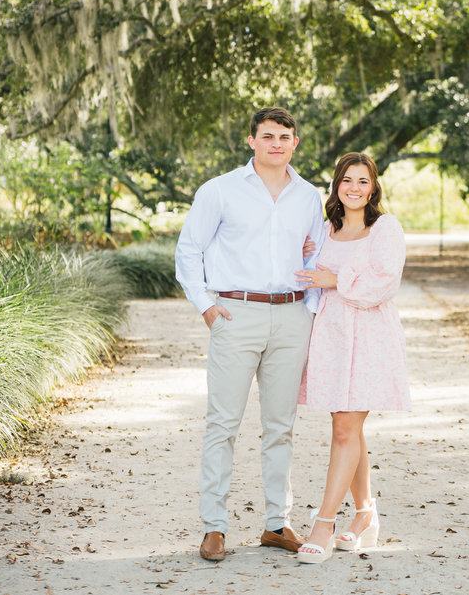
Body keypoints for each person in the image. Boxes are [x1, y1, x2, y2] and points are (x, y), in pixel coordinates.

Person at [175, 106, 325, 562]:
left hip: (291, 316)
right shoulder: (219, 191)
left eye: (284, 136)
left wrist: (312, 312)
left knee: (281, 427)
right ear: (252, 141)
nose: (276, 143)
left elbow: (317, 255)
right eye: (267, 136)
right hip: (236, 315)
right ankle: (214, 527)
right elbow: (189, 249)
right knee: (223, 424)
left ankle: (277, 524)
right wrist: (206, 307)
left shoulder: (308, 196)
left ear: (295, 142)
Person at [294, 152, 410, 564]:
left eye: (363, 181)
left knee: (345, 429)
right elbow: (307, 273)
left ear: (373, 187)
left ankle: (323, 523)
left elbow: (383, 284)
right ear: (337, 187)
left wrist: (334, 279)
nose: (355, 188)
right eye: (347, 180)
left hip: (370, 338)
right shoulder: (327, 230)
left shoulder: (385, 228)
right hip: (331, 337)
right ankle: (365, 515)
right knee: (347, 428)